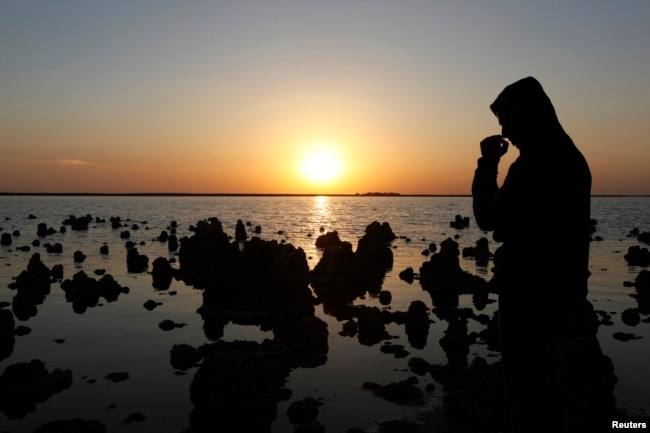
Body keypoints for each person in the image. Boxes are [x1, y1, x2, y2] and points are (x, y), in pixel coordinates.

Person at [472, 77, 592, 432]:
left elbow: (487, 216)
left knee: (526, 389)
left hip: (529, 289)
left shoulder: (537, 162)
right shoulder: (569, 157)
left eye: (507, 121)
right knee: (543, 385)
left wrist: (487, 162)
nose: (506, 131)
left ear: (529, 115)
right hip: (559, 287)